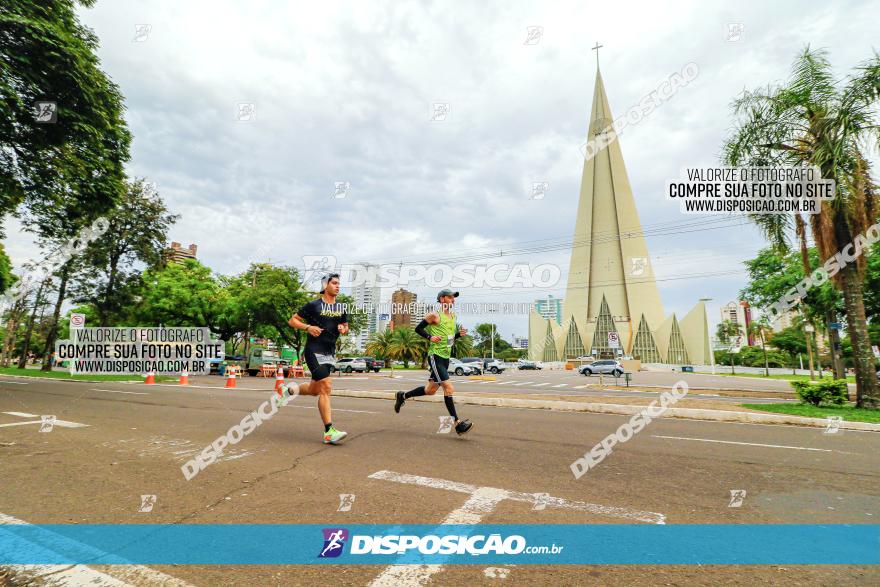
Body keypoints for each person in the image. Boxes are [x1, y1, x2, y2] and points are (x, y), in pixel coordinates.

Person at [277, 273, 349, 444]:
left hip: (330, 352)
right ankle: (329, 431)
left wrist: (343, 329)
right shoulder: (313, 305)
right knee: (326, 386)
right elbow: (292, 320)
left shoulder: (341, 308)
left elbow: (346, 326)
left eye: (339, 284)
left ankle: (288, 391)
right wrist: (308, 327)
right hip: (313, 350)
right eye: (334, 283)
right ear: (325, 286)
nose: (338, 286)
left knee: (314, 389)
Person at [394, 289, 473, 435]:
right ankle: (458, 424)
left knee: (430, 390)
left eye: (453, 298)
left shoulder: (453, 316)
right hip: (435, 356)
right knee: (448, 388)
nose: (453, 300)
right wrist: (430, 337)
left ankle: (402, 396)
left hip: (445, 358)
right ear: (442, 299)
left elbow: (448, 338)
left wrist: (458, 335)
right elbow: (418, 328)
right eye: (450, 297)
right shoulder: (434, 315)